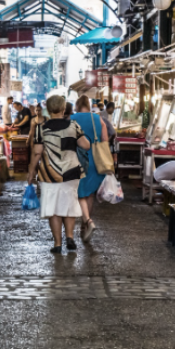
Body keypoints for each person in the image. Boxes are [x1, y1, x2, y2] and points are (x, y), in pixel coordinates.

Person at [27, 96, 91, 253]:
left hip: (49, 174)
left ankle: (57, 243)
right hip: (71, 171)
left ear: (48, 110)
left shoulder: (41, 128)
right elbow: (86, 145)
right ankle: (70, 237)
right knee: (68, 205)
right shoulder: (73, 125)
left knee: (53, 208)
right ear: (64, 109)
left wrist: (30, 172)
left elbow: (37, 153)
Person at [70, 95, 110, 242]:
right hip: (95, 160)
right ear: (88, 104)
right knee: (89, 195)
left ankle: (87, 221)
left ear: (77, 105)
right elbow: (105, 140)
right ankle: (84, 225)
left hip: (78, 159)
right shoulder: (98, 119)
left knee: (80, 193)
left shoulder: (72, 118)